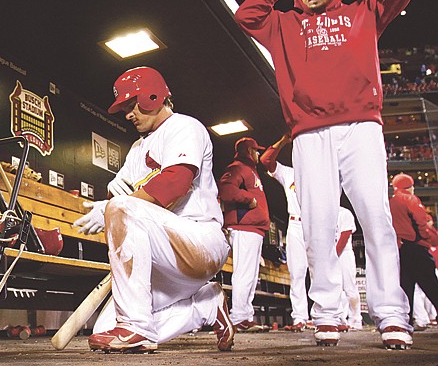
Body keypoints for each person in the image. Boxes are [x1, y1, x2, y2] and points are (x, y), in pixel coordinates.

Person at [235, 0, 416, 348]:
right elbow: (245, 15)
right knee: (316, 225)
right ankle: (327, 315)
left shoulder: (363, 11)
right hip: (310, 132)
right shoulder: (284, 23)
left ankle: (391, 316)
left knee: (376, 220)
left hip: (361, 127)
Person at [73, 66, 233, 353]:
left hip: (199, 241)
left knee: (123, 207)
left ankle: (137, 327)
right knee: (105, 328)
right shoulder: (137, 148)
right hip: (163, 259)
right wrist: (107, 203)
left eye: (130, 104)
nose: (127, 114)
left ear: (152, 96)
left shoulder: (185, 127)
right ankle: (206, 307)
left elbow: (175, 184)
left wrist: (117, 206)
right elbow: (118, 193)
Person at [218, 137, 270, 332]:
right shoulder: (237, 166)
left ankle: (245, 316)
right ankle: (239, 316)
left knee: (250, 274)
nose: (258, 154)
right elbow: (225, 189)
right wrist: (248, 199)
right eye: (256, 151)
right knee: (244, 273)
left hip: (253, 228)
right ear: (249, 151)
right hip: (244, 227)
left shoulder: (250, 170)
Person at [259, 133, 310, 332]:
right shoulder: (289, 173)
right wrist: (282, 141)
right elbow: (266, 160)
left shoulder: (322, 172)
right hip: (296, 225)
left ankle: (329, 316)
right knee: (297, 273)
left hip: (317, 224)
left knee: (321, 271)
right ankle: (300, 318)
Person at [389, 173, 438, 328]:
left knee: (406, 289)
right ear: (408, 186)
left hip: (401, 249)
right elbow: (421, 223)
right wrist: (424, 238)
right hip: (416, 247)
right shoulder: (410, 199)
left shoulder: (390, 202)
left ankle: (406, 323)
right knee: (432, 286)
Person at [335, 207, 363, 331]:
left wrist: (334, 254)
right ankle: (341, 319)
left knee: (349, 287)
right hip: (331, 254)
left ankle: (356, 320)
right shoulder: (325, 212)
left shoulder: (344, 213)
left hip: (344, 253)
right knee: (336, 288)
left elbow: (345, 235)